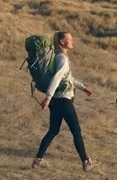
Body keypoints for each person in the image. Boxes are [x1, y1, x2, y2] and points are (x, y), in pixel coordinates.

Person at [33, 31, 96, 171]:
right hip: (63, 100)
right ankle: (86, 161)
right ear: (62, 42)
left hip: (56, 101)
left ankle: (38, 160)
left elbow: (67, 79)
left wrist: (83, 87)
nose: (72, 41)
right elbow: (57, 77)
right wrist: (48, 97)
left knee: (53, 130)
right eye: (70, 39)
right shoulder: (62, 58)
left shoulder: (58, 57)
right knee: (76, 131)